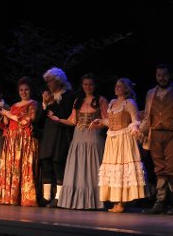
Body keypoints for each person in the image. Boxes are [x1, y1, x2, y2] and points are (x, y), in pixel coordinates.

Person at [139, 64, 173, 215]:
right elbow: (147, 116)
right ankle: (160, 201)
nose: (161, 78)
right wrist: (140, 129)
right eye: (158, 75)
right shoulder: (150, 93)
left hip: (172, 134)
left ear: (171, 75)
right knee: (159, 169)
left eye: (164, 75)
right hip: (155, 134)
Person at [49, 73, 109, 209]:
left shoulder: (101, 100)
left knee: (93, 168)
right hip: (79, 138)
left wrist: (97, 124)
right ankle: (77, 201)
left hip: (93, 137)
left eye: (91, 84)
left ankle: (95, 201)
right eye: (85, 84)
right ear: (82, 86)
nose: (88, 87)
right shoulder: (78, 100)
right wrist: (58, 119)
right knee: (79, 168)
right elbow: (73, 121)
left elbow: (107, 121)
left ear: (95, 85)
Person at [92, 78, 148, 213]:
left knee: (122, 169)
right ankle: (117, 202)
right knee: (114, 169)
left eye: (121, 86)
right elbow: (111, 122)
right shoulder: (112, 102)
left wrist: (135, 128)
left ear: (127, 89)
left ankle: (122, 203)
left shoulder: (130, 103)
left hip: (124, 139)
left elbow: (136, 120)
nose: (117, 88)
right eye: (116, 86)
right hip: (112, 139)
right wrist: (101, 121)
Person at [0, 77, 39, 206]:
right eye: (21, 90)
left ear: (30, 91)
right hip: (12, 139)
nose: (23, 92)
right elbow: (7, 124)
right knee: (12, 168)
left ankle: (26, 198)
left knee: (25, 167)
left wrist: (9, 115)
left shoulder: (33, 104)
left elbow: (28, 120)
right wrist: (4, 116)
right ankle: (11, 197)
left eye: (26, 89)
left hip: (25, 139)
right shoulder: (14, 105)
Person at [40, 67, 75, 207]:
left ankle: (59, 197)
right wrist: (44, 104)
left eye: (50, 81)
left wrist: (50, 104)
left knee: (58, 163)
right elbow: (40, 120)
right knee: (46, 162)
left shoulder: (69, 96)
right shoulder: (48, 97)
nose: (48, 84)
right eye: (47, 82)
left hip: (62, 133)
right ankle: (46, 196)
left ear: (58, 81)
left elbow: (64, 114)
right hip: (49, 133)